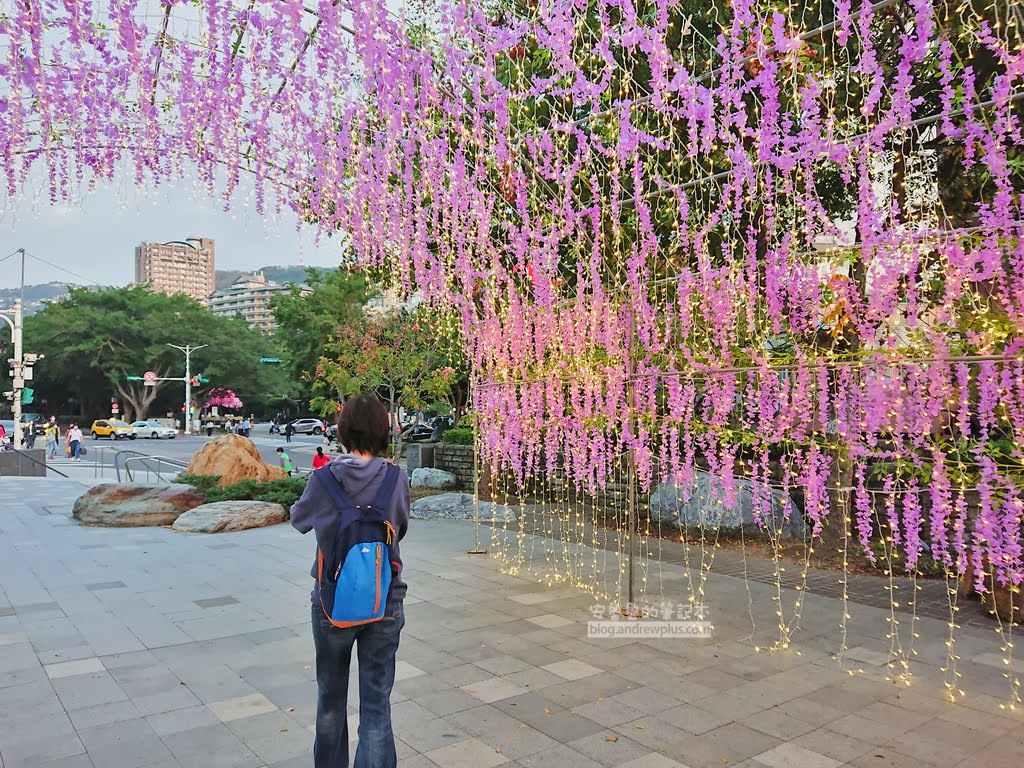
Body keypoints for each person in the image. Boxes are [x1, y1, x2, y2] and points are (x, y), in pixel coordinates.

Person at [290, 395, 410, 768]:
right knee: (376, 702)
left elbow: (299, 519)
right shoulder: (397, 477)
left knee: (331, 698)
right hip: (385, 599)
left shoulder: (323, 479)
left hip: (332, 601)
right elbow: (400, 528)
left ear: (342, 433)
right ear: (383, 433)